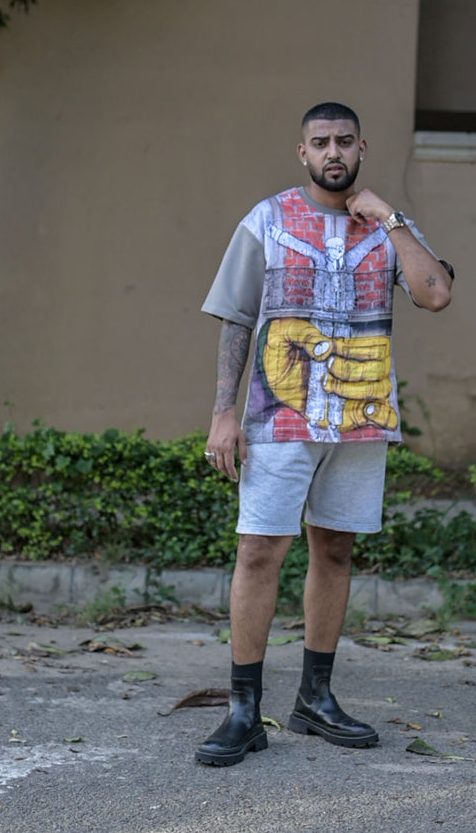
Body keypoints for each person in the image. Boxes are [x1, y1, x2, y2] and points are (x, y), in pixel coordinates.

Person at [195, 102, 453, 767]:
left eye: (343, 141)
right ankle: (243, 710)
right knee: (259, 552)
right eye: (320, 142)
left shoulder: (387, 228)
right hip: (279, 415)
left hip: (360, 420)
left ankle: (315, 698)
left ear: (362, 148)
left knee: (334, 550)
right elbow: (236, 315)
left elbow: (435, 293)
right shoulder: (268, 219)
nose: (332, 152)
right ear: (302, 152)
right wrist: (224, 412)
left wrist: (389, 217)